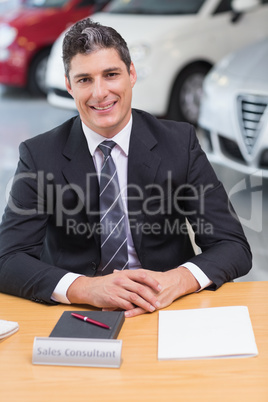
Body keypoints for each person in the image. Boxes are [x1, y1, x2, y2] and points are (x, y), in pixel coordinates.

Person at [0, 18, 251, 318]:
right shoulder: (39, 155)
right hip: (80, 311)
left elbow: (232, 245)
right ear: (69, 85)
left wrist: (177, 280)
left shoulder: (179, 143)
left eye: (111, 74)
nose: (100, 92)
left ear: (131, 74)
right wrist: (85, 288)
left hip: (166, 306)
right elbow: (7, 257)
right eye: (84, 80)